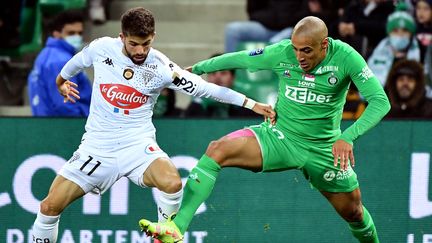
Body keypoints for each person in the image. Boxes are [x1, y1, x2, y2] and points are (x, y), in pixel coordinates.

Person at [30, 7, 275, 243]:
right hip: (97, 147)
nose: (140, 50)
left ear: (153, 37)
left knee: (172, 182)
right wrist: (61, 80)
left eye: (146, 44)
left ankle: (165, 236)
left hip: (137, 144)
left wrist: (251, 104)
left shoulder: (161, 68)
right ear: (122, 37)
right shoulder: (102, 49)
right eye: (133, 44)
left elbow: (206, 88)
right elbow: (77, 62)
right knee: (49, 207)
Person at [139, 16, 390, 243]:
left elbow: (381, 101)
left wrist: (348, 136)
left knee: (354, 213)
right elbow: (239, 58)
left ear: (324, 45)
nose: (299, 56)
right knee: (217, 150)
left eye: (306, 50)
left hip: (324, 149)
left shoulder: (346, 57)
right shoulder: (283, 53)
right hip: (279, 137)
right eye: (295, 49)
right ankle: (177, 228)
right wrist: (201, 68)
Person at [27, 10, 92, 117]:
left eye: (80, 33)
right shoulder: (61, 60)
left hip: (46, 123)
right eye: (71, 33)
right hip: (67, 126)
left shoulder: (45, 55)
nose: (77, 37)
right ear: (56, 33)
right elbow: (65, 103)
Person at [183, 53, 259, 118]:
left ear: (233, 77)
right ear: (207, 77)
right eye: (213, 73)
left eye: (223, 73)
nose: (217, 77)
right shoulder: (197, 107)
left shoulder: (249, 106)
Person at [224, 0, 309, 53]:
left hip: (290, 29)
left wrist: (287, 19)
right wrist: (271, 19)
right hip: (265, 27)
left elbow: (307, 13)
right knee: (233, 30)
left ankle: (271, 79)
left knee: (274, 43)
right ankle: (230, 72)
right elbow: (252, 11)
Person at [367, 5, 420, 87]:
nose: (400, 35)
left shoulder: (421, 56)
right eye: (395, 31)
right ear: (389, 34)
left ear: (411, 34)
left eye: (405, 31)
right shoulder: (375, 54)